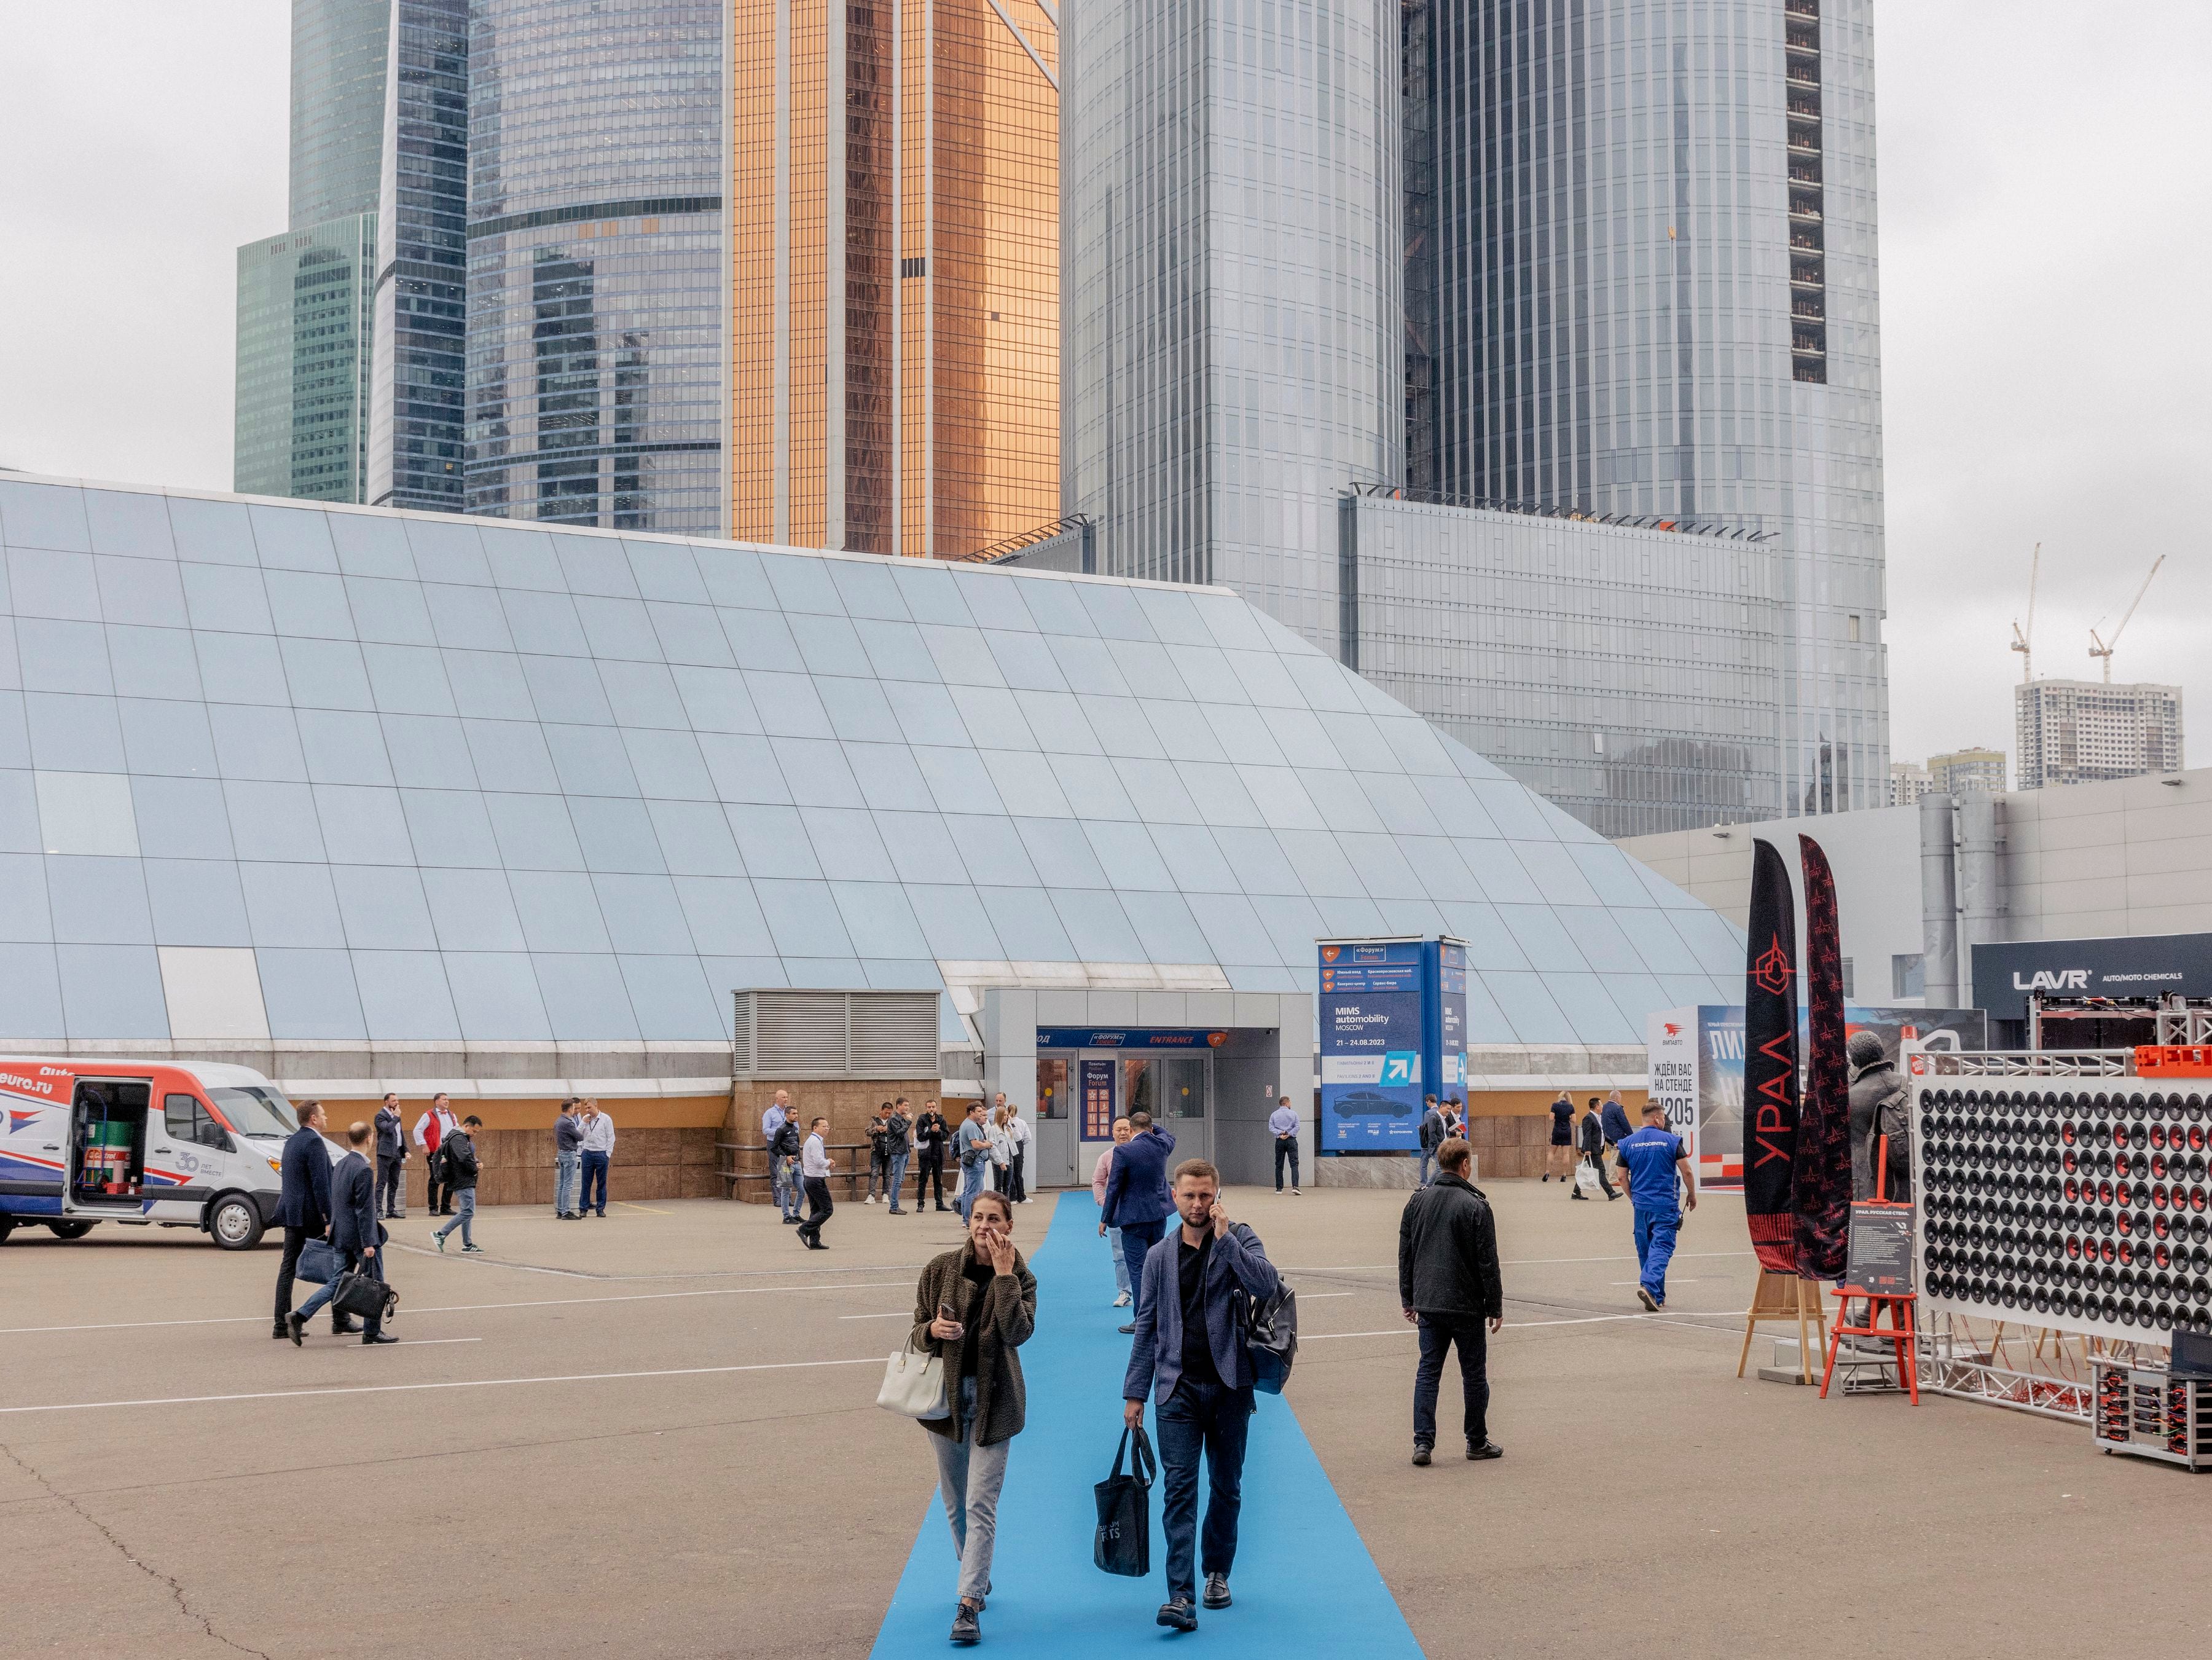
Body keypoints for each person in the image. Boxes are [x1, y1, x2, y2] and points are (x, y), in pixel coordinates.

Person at [1122, 1161, 1282, 1632]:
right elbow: (1146, 1326)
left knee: (1227, 1486)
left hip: (1232, 1385)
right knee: (1179, 1490)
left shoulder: (1240, 1240)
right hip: (1177, 1389)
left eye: (1206, 1196)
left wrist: (1227, 1239)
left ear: (1218, 1195)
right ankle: (1180, 1594)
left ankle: (1217, 1571)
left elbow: (1267, 1285)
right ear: (1174, 1196)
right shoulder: (1158, 1256)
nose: (1198, 1204)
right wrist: (1135, 1391)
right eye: (1190, 1195)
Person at [911, 1189, 1037, 1646]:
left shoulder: (1021, 1275)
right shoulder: (940, 1269)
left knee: (981, 1502)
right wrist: (932, 1330)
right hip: (945, 1402)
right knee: (955, 1501)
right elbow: (917, 1330)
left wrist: (1004, 1278)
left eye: (994, 1219)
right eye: (977, 1217)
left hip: (995, 1401)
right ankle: (977, 1575)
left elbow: (1018, 1332)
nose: (984, 1225)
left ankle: (967, 1604)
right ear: (968, 1221)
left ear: (1008, 1225)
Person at [1397, 1136, 1504, 1464]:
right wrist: (1495, 1306)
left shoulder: (1417, 1202)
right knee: (1473, 1375)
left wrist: (1409, 1298)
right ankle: (1476, 1441)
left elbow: (1406, 1254)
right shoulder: (1476, 1206)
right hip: (1466, 1305)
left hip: (1428, 1302)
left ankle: (1423, 1444)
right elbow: (1488, 1261)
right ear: (1465, 1165)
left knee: (1428, 1372)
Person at [289, 1122, 396, 1345]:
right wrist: (368, 1243)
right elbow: (364, 1210)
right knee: (375, 1282)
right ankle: (372, 1332)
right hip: (360, 1238)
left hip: (341, 1236)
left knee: (337, 1281)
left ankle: (300, 1315)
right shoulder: (364, 1169)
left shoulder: (341, 1165)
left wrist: (334, 1229)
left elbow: (337, 1202)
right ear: (370, 1138)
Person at [1101, 1109, 1176, 1336]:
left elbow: (1113, 1188)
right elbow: (1169, 1135)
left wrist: (1105, 1219)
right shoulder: (1162, 1144)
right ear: (1151, 1129)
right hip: (1158, 1217)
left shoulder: (1123, 1152)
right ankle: (1161, 1317)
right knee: (1157, 1267)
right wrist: (1155, 1129)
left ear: (1131, 1130)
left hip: (1133, 1220)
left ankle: (1142, 1321)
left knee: (1138, 1270)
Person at [1617, 1102, 1696, 1310]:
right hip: (1665, 1205)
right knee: (1662, 1247)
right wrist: (1692, 1195)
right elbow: (1686, 1171)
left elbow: (1621, 1176)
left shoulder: (1627, 1143)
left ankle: (1656, 1296)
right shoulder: (1671, 1141)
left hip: (1641, 1206)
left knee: (1645, 1250)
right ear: (1658, 1119)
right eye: (1664, 1119)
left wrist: (1633, 1197)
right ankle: (1650, 1285)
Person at [272, 1099, 333, 1340]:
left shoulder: (292, 1141)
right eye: (324, 1114)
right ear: (314, 1119)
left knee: (287, 1268)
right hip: (311, 1216)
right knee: (340, 1264)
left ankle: (279, 1324)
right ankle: (340, 1319)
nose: (326, 1118)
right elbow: (321, 1185)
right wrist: (328, 1218)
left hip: (292, 1213)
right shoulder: (315, 1142)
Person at [1092, 1116, 1135, 1307]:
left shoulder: (1140, 1154)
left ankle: (1148, 1291)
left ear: (1133, 1131)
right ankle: (1124, 1292)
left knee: (1148, 1254)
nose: (1123, 1133)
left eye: (1126, 1129)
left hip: (1140, 1214)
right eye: (1119, 1130)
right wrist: (1105, 1203)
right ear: (1113, 1133)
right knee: (1120, 1255)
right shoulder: (1107, 1157)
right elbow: (1098, 1182)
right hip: (1118, 1214)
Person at [433, 1116, 484, 1254]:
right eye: (474, 1131)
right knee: (468, 1212)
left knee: (466, 1212)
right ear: (467, 1126)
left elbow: (467, 1155)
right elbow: (463, 1157)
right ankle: (441, 1234)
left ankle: (467, 1244)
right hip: (462, 1179)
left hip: (463, 1178)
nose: (474, 1134)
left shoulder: (460, 1138)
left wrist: (476, 1161)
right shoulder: (458, 1138)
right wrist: (475, 1167)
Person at [414, 1093, 460, 1215]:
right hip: (435, 1151)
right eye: (444, 1099)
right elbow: (417, 1130)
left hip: (449, 1151)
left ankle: (446, 1207)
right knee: (435, 1178)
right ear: (437, 1101)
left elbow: (457, 1129)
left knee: (450, 1178)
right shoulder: (428, 1115)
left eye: (448, 1100)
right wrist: (424, 1145)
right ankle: (433, 1208)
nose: (447, 1102)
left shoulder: (452, 1115)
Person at [764, 1090, 801, 1221]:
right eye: (783, 1097)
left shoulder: (790, 1112)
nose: (786, 1099)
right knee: (776, 1172)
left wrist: (788, 1132)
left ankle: (787, 1200)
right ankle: (777, 1199)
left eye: (787, 1097)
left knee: (788, 1173)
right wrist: (781, 1132)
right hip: (774, 1145)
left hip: (789, 1146)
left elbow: (797, 1128)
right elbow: (766, 1130)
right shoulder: (770, 1113)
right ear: (777, 1099)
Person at [798, 1115, 834, 1249]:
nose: (827, 1129)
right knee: (827, 1209)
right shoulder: (814, 1141)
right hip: (815, 1180)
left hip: (811, 1178)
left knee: (816, 1210)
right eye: (824, 1126)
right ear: (815, 1128)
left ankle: (815, 1241)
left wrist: (826, 1162)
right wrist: (828, 1162)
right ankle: (804, 1229)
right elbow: (819, 1162)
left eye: (828, 1126)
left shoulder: (815, 1141)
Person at [953, 1101, 991, 1223]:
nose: (981, 1114)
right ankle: (968, 1219)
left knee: (971, 1190)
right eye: (979, 1112)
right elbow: (975, 1144)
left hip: (972, 1160)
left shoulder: (969, 1124)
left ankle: (967, 1218)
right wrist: (987, 1145)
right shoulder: (971, 1126)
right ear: (971, 1112)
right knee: (973, 1192)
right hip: (975, 1161)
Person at [373, 1092, 407, 1220]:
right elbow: (387, 1129)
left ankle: (391, 1210)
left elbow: (400, 1134)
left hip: (397, 1152)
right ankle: (378, 1211)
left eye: (397, 1101)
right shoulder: (380, 1116)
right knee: (382, 1183)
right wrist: (396, 1117)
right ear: (386, 1102)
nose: (396, 1103)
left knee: (394, 1182)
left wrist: (406, 1150)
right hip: (385, 1153)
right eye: (393, 1101)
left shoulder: (396, 1117)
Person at [579, 1098, 615, 1217]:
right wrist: (583, 1122)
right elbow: (578, 1134)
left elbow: (611, 1137)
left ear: (596, 1106)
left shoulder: (606, 1119)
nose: (588, 1110)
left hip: (601, 1153)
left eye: (589, 1108)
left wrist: (607, 1154)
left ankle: (600, 1209)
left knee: (601, 1183)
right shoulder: (585, 1119)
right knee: (586, 1182)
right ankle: (583, 1208)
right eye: (586, 1108)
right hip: (588, 1153)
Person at [1574, 1098, 1615, 1200]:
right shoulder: (1588, 1118)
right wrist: (1587, 1149)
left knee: (1584, 1170)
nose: (1602, 1107)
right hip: (1592, 1150)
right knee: (1601, 1170)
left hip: (1597, 1148)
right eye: (1601, 1105)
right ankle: (1611, 1193)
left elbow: (1602, 1134)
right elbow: (1587, 1134)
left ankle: (1576, 1192)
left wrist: (1612, 1143)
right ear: (1597, 1106)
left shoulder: (1599, 1118)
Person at [913, 1100, 951, 1212]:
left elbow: (945, 1135)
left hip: (938, 1153)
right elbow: (920, 1137)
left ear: (936, 1108)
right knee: (923, 1179)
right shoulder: (922, 1120)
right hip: (926, 1154)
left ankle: (939, 1204)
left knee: (938, 1179)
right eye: (929, 1107)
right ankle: (920, 1204)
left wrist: (938, 1131)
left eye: (933, 1107)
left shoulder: (941, 1119)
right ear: (926, 1108)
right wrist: (931, 1131)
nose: (931, 1109)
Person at [770, 1112, 806, 1224]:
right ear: (787, 1115)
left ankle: (796, 1214)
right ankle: (786, 1216)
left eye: (797, 1113)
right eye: (794, 1114)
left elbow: (796, 1145)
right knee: (786, 1190)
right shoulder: (781, 1129)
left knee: (802, 1189)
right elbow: (774, 1147)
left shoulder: (795, 1129)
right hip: (785, 1163)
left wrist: (799, 1160)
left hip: (796, 1163)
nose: (796, 1115)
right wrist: (786, 1157)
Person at [554, 1098, 584, 1219]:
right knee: (568, 1185)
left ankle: (561, 1210)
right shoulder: (568, 1122)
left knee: (562, 1184)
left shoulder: (559, 1121)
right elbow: (580, 1137)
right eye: (573, 1108)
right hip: (569, 1154)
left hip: (562, 1153)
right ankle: (566, 1212)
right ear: (570, 1109)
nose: (575, 1110)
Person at [884, 1098, 913, 1216]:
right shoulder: (895, 1119)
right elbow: (900, 1133)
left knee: (900, 1180)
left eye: (908, 1105)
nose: (907, 1108)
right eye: (905, 1105)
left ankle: (895, 1205)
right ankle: (894, 1206)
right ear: (898, 1106)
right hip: (898, 1153)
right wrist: (908, 1122)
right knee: (897, 1180)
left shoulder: (900, 1118)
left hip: (904, 1152)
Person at [1268, 1095, 1302, 1195]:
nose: (1290, 1104)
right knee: (1294, 1163)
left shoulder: (1274, 1114)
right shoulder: (1294, 1114)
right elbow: (1297, 1127)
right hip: (1291, 1140)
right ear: (1287, 1103)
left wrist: (1280, 1133)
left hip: (1280, 1141)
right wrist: (1289, 1134)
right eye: (1290, 1103)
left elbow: (1271, 1127)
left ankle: (1279, 1188)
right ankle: (1295, 1186)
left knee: (1279, 1164)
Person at [1601, 1091, 1634, 1189]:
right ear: (1617, 1097)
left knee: (1614, 1156)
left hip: (1607, 1136)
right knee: (1616, 1157)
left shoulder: (1604, 1107)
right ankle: (1613, 1179)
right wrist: (1631, 1135)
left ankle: (1615, 1176)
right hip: (1618, 1137)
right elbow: (1624, 1123)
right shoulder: (1617, 1108)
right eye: (1620, 1098)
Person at [1544, 1090, 1575, 1182]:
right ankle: (1564, 1175)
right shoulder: (1571, 1107)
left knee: (1552, 1152)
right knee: (1566, 1154)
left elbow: (1551, 1118)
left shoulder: (1555, 1105)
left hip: (1557, 1130)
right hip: (1567, 1131)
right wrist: (1567, 1117)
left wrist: (1558, 1116)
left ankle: (1547, 1172)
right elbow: (1574, 1120)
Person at [866, 1103, 893, 1204]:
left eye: (889, 1113)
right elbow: (867, 1132)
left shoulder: (892, 1121)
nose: (887, 1115)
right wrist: (876, 1129)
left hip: (889, 1150)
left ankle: (886, 1195)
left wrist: (889, 1130)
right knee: (874, 1173)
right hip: (876, 1150)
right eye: (886, 1112)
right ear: (881, 1110)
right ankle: (871, 1195)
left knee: (887, 1174)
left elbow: (898, 1132)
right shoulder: (874, 1120)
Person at [1006, 1103, 1032, 1204]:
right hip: (1019, 1147)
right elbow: (1027, 1138)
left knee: (1010, 1172)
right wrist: (1021, 1145)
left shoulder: (1006, 1122)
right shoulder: (1022, 1122)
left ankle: (1012, 1196)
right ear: (1017, 1112)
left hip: (1009, 1147)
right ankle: (1021, 1195)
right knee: (1018, 1172)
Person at [1417, 1096, 1446, 1185]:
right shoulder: (1442, 1112)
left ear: (1429, 1102)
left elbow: (1426, 1127)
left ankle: (1424, 1184)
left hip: (1428, 1144)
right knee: (1440, 1165)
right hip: (1440, 1142)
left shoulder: (1429, 1113)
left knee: (1424, 1164)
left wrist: (1420, 1128)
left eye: (1427, 1103)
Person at [986, 1105, 1014, 1195]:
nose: (1007, 1117)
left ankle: (1006, 1205)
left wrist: (1011, 1123)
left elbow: (1016, 1139)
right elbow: (992, 1146)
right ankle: (998, 1207)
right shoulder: (994, 1129)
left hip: (1008, 1159)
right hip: (999, 1160)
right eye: (1005, 1115)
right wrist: (1000, 1161)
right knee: (998, 1186)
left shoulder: (1007, 1128)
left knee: (1007, 1187)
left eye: (1007, 1115)